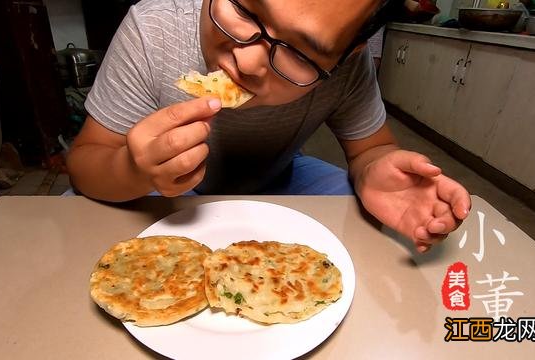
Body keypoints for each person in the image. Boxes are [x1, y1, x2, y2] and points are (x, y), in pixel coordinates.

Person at [66, 0, 471, 253]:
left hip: (279, 177)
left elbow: (370, 150)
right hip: (159, 188)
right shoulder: (152, 30)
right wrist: (132, 171)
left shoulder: (346, 67)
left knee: (360, 215)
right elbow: (85, 162)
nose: (249, 63)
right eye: (244, 11)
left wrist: (374, 169)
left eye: (300, 52)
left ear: (347, 55)